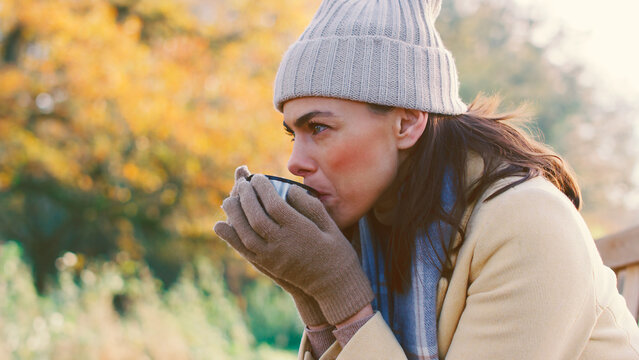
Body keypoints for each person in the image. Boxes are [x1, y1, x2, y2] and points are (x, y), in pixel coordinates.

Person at [214, 0, 639, 359]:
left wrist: (342, 300)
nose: (294, 162)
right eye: (293, 133)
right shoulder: (379, 223)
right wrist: (314, 298)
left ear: (407, 123)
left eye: (319, 128)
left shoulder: (530, 225)